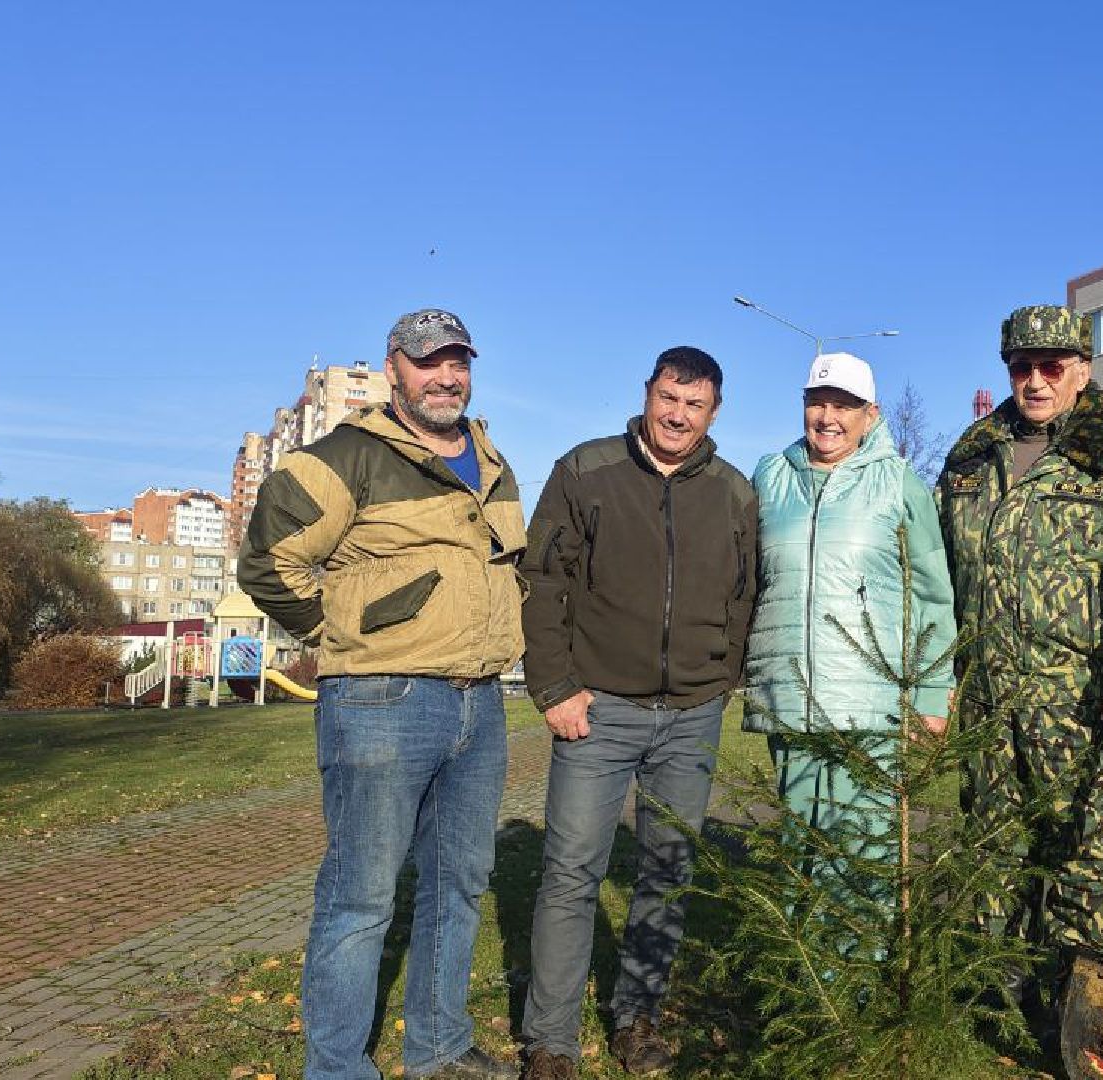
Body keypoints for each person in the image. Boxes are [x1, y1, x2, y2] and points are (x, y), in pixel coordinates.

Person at [238, 309, 524, 1080]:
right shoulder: (345, 456)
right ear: (394, 366)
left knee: (459, 884)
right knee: (362, 895)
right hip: (383, 701)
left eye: (459, 360)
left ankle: (438, 1046)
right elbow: (268, 563)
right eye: (429, 361)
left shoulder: (491, 459)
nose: (447, 375)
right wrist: (344, 634)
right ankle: (336, 1068)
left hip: (480, 701)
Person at [518, 347, 758, 1080]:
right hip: (599, 709)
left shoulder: (733, 493)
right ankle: (551, 1041)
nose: (677, 415)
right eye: (667, 398)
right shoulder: (585, 471)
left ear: (713, 413)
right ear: (647, 394)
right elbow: (543, 581)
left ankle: (638, 1018)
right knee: (570, 870)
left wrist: (724, 676)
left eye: (694, 405)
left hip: (691, 714)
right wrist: (555, 687)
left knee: (668, 868)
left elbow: (746, 593)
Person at [936, 304, 1103, 1038]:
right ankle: (997, 990)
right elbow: (940, 574)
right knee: (992, 839)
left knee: (1084, 844)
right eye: (1021, 366)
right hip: (988, 693)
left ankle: (1076, 1000)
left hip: (1080, 693)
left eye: (1051, 366)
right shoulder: (973, 455)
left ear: (1083, 370)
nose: (1034, 380)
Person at [741, 351, 956, 922]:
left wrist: (932, 695)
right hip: (789, 699)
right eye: (818, 402)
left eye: (844, 405)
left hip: (870, 706)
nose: (829, 416)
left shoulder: (899, 483)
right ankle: (811, 996)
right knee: (801, 852)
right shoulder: (771, 476)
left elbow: (932, 593)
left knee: (862, 856)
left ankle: (861, 999)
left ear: (871, 413)